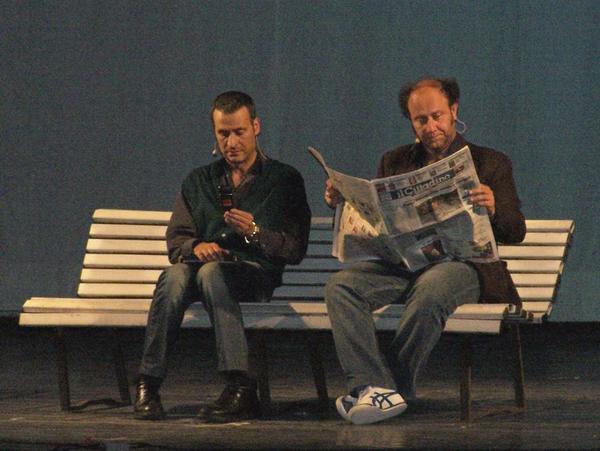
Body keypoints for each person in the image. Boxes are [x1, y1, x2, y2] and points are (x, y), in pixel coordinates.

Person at [324, 77, 526, 425]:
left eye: (437, 116)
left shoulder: (490, 162)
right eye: (421, 120)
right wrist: (343, 204)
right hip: (406, 265)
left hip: (466, 265)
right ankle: (373, 387)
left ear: (454, 111)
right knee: (341, 287)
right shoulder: (394, 161)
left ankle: (388, 391)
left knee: (432, 288)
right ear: (411, 122)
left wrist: (494, 208)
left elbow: (515, 231)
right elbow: (378, 225)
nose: (431, 127)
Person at [134, 91, 311, 422]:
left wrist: (255, 233)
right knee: (175, 275)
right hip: (203, 269)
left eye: (239, 132)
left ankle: (240, 386)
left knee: (212, 273)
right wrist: (195, 247)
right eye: (223, 134)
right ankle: (148, 383)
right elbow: (177, 240)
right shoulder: (199, 181)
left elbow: (294, 248)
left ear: (255, 127)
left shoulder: (283, 179)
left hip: (253, 273)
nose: (231, 142)